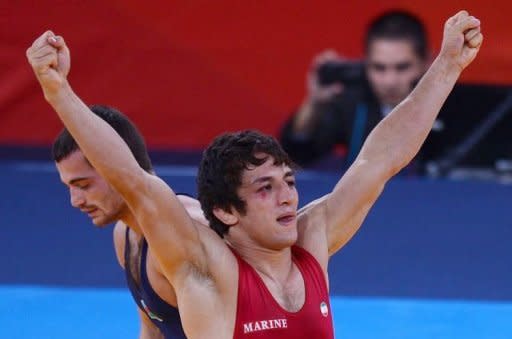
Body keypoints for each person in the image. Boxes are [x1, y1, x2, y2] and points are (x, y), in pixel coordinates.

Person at [27, 10, 482, 338]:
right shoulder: (207, 271)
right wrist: (58, 92)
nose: (287, 197)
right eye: (265, 189)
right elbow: (135, 182)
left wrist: (446, 67)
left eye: (287, 181)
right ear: (226, 211)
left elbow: (380, 158)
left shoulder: (311, 242)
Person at [52, 104, 207, 338]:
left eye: (83, 185)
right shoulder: (125, 234)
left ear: (119, 168)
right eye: (70, 187)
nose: (75, 201)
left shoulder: (191, 231)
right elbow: (153, 329)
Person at [280, 10, 430, 167]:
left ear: (425, 62)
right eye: (379, 68)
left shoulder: (454, 105)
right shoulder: (352, 102)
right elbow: (295, 157)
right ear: (365, 63)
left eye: (402, 67)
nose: (389, 81)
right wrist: (313, 103)